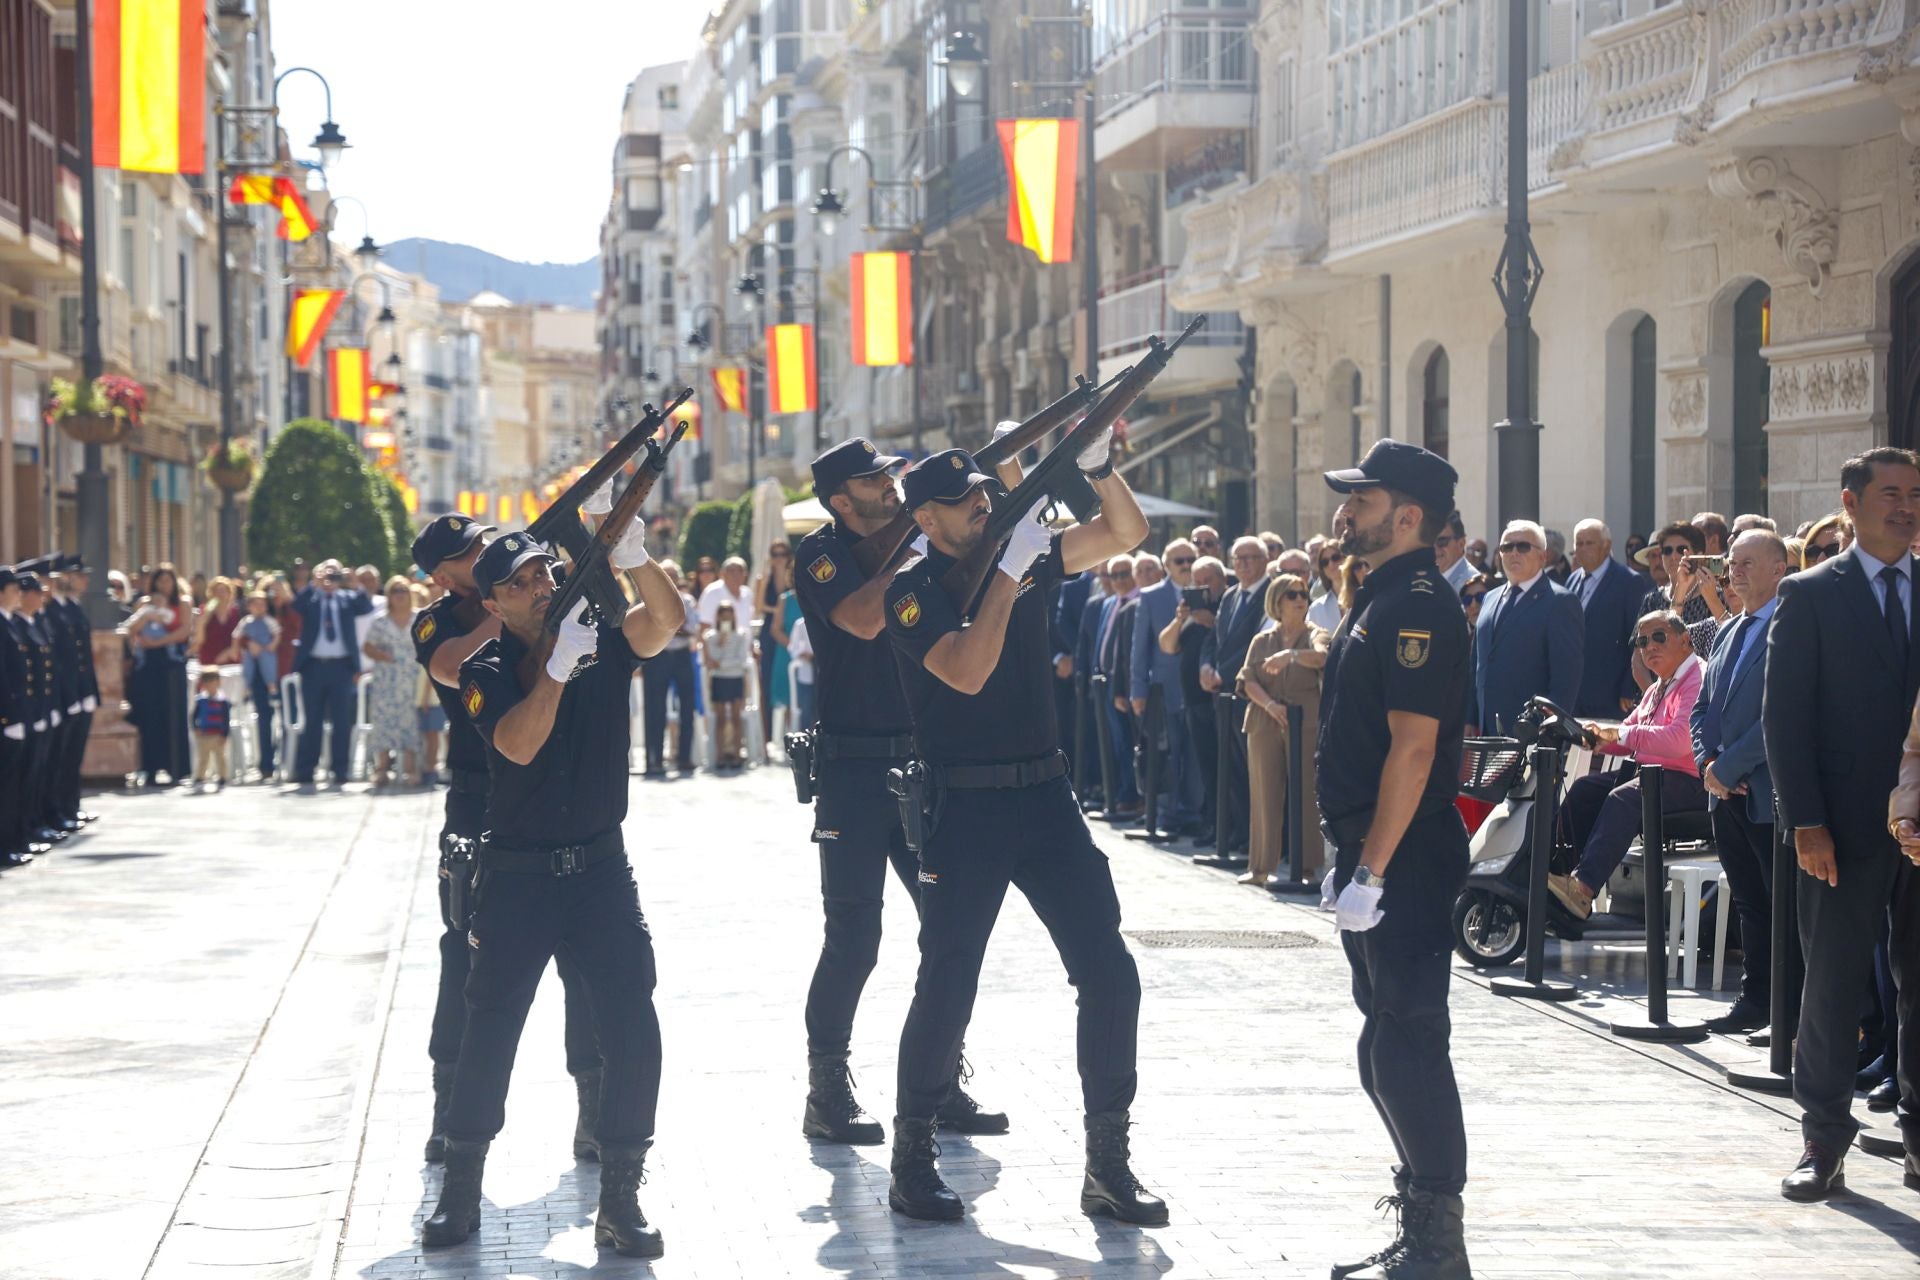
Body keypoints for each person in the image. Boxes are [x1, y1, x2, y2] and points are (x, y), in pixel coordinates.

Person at [881, 437, 1164, 1227]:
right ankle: (912, 1160)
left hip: (1045, 797)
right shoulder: (912, 592)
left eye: (983, 492)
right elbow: (966, 670)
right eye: (963, 501)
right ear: (926, 520)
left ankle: (1108, 1163)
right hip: (964, 807)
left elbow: (1125, 533)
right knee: (948, 982)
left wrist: (1099, 467)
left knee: (1110, 972)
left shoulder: (1020, 555)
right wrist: (1009, 571)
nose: (982, 503)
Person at [424, 516, 682, 1258]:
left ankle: (621, 1196)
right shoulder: (483, 670)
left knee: (632, 1022)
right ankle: (461, 1190)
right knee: (490, 1028)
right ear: (492, 604)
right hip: (519, 875)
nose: (539, 587)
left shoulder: (596, 636)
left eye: (542, 573)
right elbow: (518, 743)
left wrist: (637, 558)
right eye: (519, 584)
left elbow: (665, 621)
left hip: (601, 870)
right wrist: (559, 672)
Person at [790, 438, 1005, 1149]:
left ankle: (937, 1082)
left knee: (951, 932)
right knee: (854, 938)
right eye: (873, 480)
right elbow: (859, 618)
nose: (891, 485)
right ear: (840, 500)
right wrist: (917, 538)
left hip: (921, 763)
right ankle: (826, 1090)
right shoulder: (820, 554)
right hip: (852, 771)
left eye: (890, 476)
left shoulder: (918, 544)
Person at [1313, 439, 1473, 1280]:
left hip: (1404, 852)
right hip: (1374, 844)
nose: (1345, 513)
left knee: (1408, 1040)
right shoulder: (1378, 595)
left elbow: (1413, 753)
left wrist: (1372, 868)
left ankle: (1439, 1244)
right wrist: (1351, 856)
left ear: (1408, 517)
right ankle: (1420, 1222)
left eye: (1363, 501)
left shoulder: (1417, 605)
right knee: (1383, 1042)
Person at [408, 514, 602, 1168]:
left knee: (583, 953)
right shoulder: (436, 622)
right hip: (479, 797)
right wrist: (517, 609)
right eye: (468, 555)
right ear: (442, 577)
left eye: (483, 543)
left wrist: (543, 590)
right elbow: (450, 667)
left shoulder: (542, 591)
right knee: (464, 950)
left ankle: (594, 1104)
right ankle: (449, 1107)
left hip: (554, 790)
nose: (482, 552)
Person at [1765, 447, 1920, 1202]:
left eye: (1915, 494)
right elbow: (1784, 717)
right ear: (1851, 503)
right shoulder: (1809, 594)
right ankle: (1823, 1138)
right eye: (1891, 493)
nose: (1907, 507)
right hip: (1841, 829)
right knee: (1830, 985)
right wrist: (1807, 822)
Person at [1691, 529, 1790, 1034]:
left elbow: (1781, 715)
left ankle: (1786, 1010)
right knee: (1750, 901)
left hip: (1765, 792)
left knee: (1781, 903)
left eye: (1749, 562)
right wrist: (1708, 763)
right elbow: (1702, 708)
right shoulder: (1730, 630)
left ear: (1779, 569)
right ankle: (1755, 1001)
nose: (1736, 571)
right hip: (1724, 793)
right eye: (1733, 562)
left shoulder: (1789, 628)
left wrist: (1729, 769)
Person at [1545, 611, 1707, 920]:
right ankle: (1552, 878)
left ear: (1685, 640)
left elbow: (1678, 741)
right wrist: (1592, 736)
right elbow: (1626, 733)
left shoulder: (1697, 678)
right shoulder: (1658, 687)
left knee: (1624, 798)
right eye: (1642, 641)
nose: (1649, 647)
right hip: (1654, 776)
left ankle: (1582, 890)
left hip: (1692, 782)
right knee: (1584, 790)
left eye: (1659, 637)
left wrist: (1618, 734)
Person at [1236, 574, 1326, 887]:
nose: (1300, 599)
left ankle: (1307, 867)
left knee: (1306, 792)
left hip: (1305, 720)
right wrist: (1270, 705)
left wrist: (1292, 656)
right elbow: (1247, 679)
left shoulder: (1315, 634)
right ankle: (1260, 867)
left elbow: (1323, 657)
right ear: (1277, 601)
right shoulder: (1262, 641)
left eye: (1303, 594)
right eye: (1292, 594)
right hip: (1264, 719)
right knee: (1264, 792)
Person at [1472, 521, 1583, 735]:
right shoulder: (1490, 598)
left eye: (1523, 547)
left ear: (1543, 556)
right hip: (1487, 729)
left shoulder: (1560, 602)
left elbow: (1566, 680)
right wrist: (1471, 717)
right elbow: (1477, 663)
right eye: (1506, 547)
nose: (1513, 553)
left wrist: (1547, 731)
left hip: (1532, 733)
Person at [1199, 537, 1271, 862]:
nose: (1242, 564)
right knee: (1231, 770)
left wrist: (1223, 673)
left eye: (1250, 557)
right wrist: (1205, 667)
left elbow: (1257, 644)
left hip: (1249, 693)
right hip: (1223, 697)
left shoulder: (1270, 594)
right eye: (1237, 558)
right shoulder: (1230, 596)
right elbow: (1214, 639)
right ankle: (1240, 833)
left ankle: (1258, 838)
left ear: (1264, 560)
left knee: (1253, 769)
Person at [288, 559, 375, 790]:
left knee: (341, 720)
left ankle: (340, 769)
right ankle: (306, 769)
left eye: (335, 575)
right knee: (312, 720)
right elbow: (296, 606)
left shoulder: (347, 598)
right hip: (313, 667)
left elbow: (366, 608)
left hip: (341, 667)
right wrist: (313, 584)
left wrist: (355, 583)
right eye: (327, 575)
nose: (330, 580)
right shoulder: (312, 598)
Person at [1129, 540, 1197, 836]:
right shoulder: (1151, 596)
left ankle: (1191, 813)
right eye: (1179, 561)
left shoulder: (1205, 589)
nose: (1186, 565)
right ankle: (1166, 813)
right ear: (1167, 565)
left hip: (1196, 688)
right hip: (1162, 689)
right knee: (1166, 751)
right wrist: (1138, 689)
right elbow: (1140, 647)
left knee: (1193, 755)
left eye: (1190, 559)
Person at [1161, 555, 1227, 844]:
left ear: (1221, 580)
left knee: (1220, 767)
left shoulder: (1226, 604)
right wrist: (1180, 619)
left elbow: (1233, 640)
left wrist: (1212, 623)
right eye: (1196, 582)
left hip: (1216, 699)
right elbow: (1167, 645)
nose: (1201, 587)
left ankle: (1222, 827)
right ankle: (1211, 823)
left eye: (1207, 581)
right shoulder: (1189, 612)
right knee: (1204, 766)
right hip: (1192, 700)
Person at [1565, 519, 1646, 718]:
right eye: (1579, 544)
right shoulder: (1572, 580)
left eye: (1589, 543)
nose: (1582, 549)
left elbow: (1636, 637)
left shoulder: (1629, 581)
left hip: (1611, 693)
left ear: (1606, 546)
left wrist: (1629, 686)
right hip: (1575, 692)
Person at [125, 565, 192, 786]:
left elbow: (185, 630)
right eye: (160, 580)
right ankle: (150, 768)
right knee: (150, 714)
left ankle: (176, 767)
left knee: (173, 714)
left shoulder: (183, 603)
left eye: (168, 580)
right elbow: (131, 629)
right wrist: (148, 615)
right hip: (148, 664)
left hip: (171, 663)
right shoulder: (144, 604)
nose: (164, 585)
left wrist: (159, 641)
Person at [362, 577, 424, 789]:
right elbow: (367, 647)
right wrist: (383, 656)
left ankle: (409, 769)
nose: (400, 595)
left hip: (412, 679)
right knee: (383, 722)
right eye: (395, 590)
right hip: (386, 680)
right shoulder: (380, 621)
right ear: (389, 595)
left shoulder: (419, 619)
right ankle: (382, 769)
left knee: (410, 722)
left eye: (403, 590)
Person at [641, 562, 699, 776]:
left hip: (681, 655)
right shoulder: (647, 601)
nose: (670, 579)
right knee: (654, 709)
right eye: (666, 574)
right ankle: (654, 758)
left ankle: (684, 757)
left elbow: (691, 629)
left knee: (687, 708)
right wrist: (673, 626)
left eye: (673, 575)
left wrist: (669, 626)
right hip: (658, 655)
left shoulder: (688, 601)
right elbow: (649, 628)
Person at [236, 591, 281, 780]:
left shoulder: (271, 621)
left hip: (271, 666)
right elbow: (237, 637)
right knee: (263, 718)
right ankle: (266, 764)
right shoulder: (246, 622)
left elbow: (277, 636)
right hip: (254, 671)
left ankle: (279, 758)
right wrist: (247, 645)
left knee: (280, 721)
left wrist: (271, 645)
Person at [755, 542, 795, 752]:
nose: (779, 558)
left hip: (791, 631)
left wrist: (779, 608)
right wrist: (779, 608)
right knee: (767, 681)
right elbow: (758, 607)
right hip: (770, 633)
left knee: (792, 682)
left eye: (783, 553)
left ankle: (793, 732)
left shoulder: (794, 577)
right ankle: (766, 736)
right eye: (775, 554)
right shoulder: (764, 579)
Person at [704, 602, 751, 769]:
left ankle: (737, 754)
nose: (726, 619)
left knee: (737, 718)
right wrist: (721, 643)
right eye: (723, 616)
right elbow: (712, 658)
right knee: (721, 719)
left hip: (735, 678)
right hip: (719, 680)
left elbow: (741, 659)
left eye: (729, 616)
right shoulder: (711, 636)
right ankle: (721, 756)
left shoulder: (741, 635)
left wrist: (722, 664)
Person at [189, 669, 232, 790]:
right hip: (204, 736)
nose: (210, 686)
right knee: (203, 758)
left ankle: (222, 777)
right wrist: (196, 728)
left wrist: (224, 735)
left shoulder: (223, 702)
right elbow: (193, 716)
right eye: (207, 683)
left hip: (218, 736)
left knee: (220, 758)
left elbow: (226, 719)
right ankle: (200, 777)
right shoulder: (200, 701)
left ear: (218, 683)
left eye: (212, 682)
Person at [193, 576, 241, 669]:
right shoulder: (204, 610)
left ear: (229, 594)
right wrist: (203, 619)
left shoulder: (235, 612)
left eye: (223, 591)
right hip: (209, 661)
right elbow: (199, 640)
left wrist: (228, 652)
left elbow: (240, 638)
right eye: (216, 591)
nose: (220, 594)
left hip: (231, 661)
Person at [788, 613, 815, 727]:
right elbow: (793, 648)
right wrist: (805, 655)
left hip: (824, 678)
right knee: (806, 712)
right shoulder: (800, 625)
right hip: (806, 677)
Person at [1435, 513, 1472, 593]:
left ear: (1461, 544)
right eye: (1430, 541)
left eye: (1442, 540)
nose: (1435, 547)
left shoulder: (1472, 586)